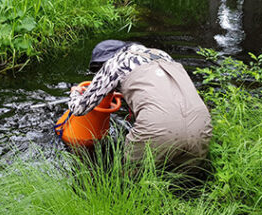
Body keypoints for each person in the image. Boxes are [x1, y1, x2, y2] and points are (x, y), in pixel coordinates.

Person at [68, 40, 212, 173]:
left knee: (129, 180)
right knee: (182, 183)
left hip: (159, 129)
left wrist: (75, 93)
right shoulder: (161, 54)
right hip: (202, 126)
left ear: (104, 61)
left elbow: (79, 108)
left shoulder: (114, 63)